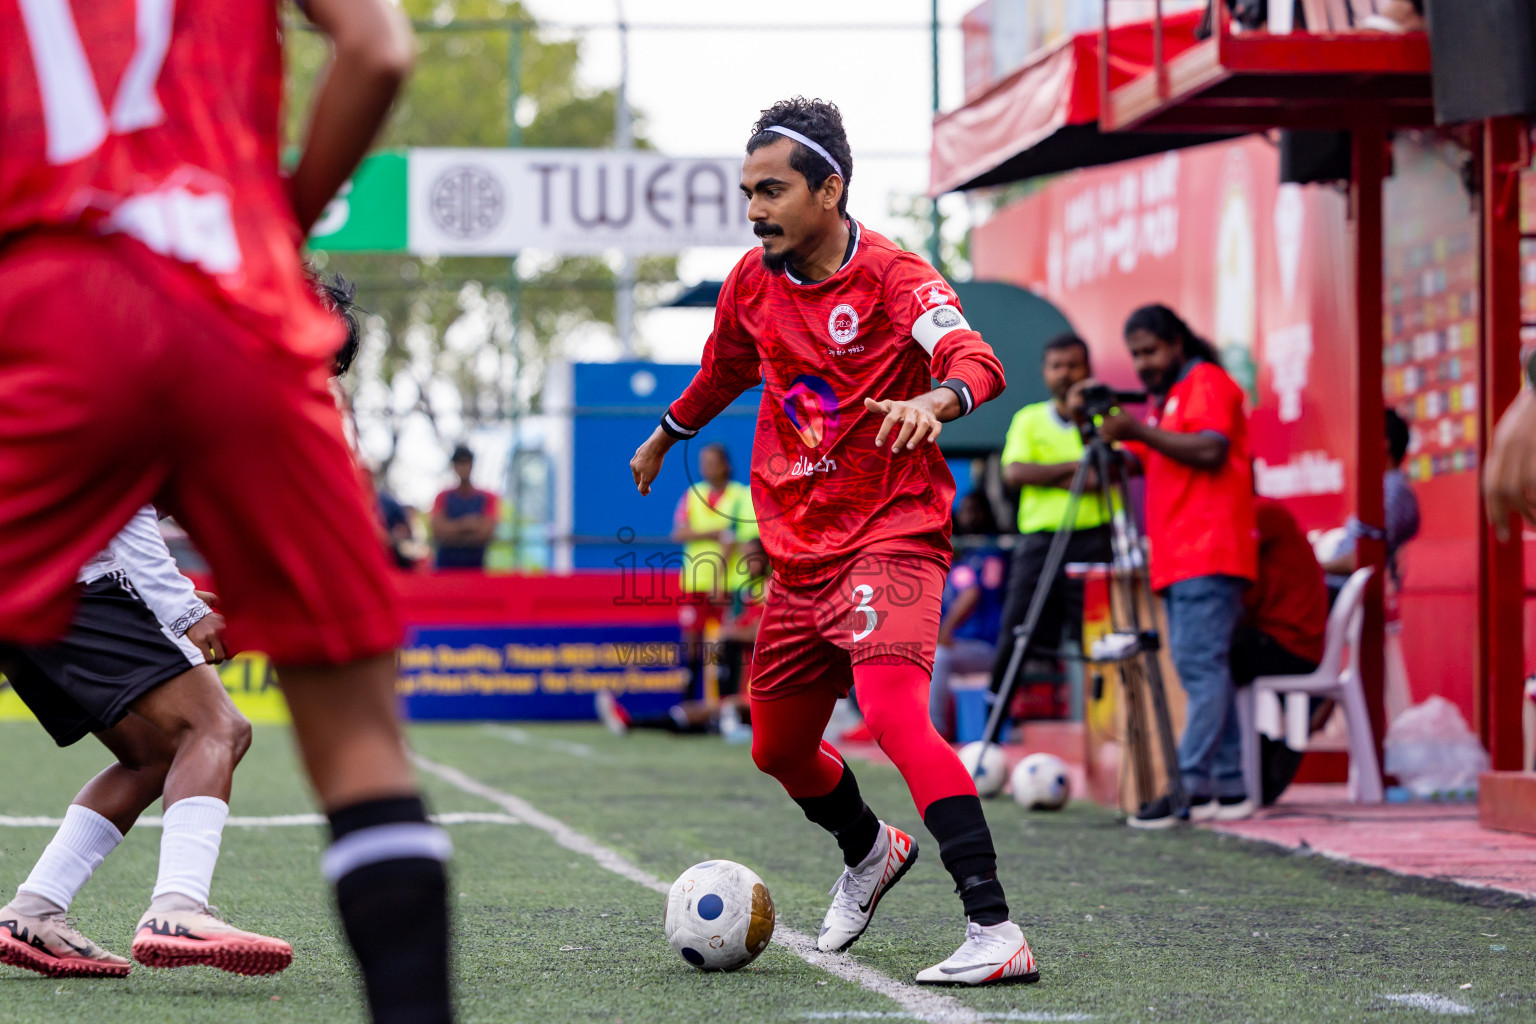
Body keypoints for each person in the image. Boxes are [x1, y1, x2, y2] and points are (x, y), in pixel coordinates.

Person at [0, 4, 454, 1023]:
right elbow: (378, 49)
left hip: (49, 303)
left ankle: (43, 906)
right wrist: (265, 232)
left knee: (181, 734)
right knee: (351, 737)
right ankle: (175, 906)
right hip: (227, 289)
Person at [630, 98, 1037, 986]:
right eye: (747, 192)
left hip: (893, 533)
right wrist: (668, 432)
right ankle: (869, 850)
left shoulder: (895, 276)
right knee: (776, 747)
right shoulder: (752, 280)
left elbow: (978, 361)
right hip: (801, 554)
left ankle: (994, 927)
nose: (755, 208)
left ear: (830, 188)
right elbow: (725, 368)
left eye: (771, 190)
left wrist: (933, 401)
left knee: (892, 714)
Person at [0, 508, 288, 977]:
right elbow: (124, 508)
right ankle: (179, 907)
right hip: (78, 583)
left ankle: (34, 909)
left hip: (21, 592)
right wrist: (183, 608)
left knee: (151, 757)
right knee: (218, 728)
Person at [1082, 304, 1258, 828]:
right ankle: (1229, 791)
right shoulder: (1174, 395)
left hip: (1211, 551)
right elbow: (1165, 458)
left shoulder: (1206, 381)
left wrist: (1136, 430)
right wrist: (1120, 438)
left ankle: (1182, 786)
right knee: (1204, 672)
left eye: (1150, 351)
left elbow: (1209, 450)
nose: (1143, 363)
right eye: (1135, 355)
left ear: (1177, 342)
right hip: (1184, 556)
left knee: (1202, 671)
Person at [990, 334, 1114, 698]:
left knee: (1100, 636)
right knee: (1016, 629)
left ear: (1088, 369)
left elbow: (1100, 478)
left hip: (1094, 540)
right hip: (1040, 544)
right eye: (1057, 366)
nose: (1065, 374)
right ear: (1045, 372)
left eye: (1073, 365)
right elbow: (1014, 473)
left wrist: (1048, 471)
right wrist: (1075, 466)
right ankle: (993, 728)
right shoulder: (1028, 419)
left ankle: (1107, 726)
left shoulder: (1105, 416)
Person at [596, 537, 768, 737]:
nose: (747, 562)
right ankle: (633, 723)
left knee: (716, 710)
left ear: (765, 558)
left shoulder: (769, 589)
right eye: (745, 557)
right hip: (747, 685)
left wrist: (730, 632)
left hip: (762, 689)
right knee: (707, 714)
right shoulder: (750, 592)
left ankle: (633, 723)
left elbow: (762, 633)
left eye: (752, 557)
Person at [1231, 495, 1330, 806]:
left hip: (1291, 643)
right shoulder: (1261, 513)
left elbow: (1234, 577)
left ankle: (1233, 769)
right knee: (1213, 656)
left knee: (1210, 659)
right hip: (1290, 638)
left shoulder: (1259, 513)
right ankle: (1249, 759)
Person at [671, 443, 758, 699]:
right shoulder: (693, 493)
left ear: (726, 465)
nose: (706, 467)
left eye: (712, 461)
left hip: (730, 583)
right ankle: (688, 698)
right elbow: (679, 531)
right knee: (692, 643)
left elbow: (738, 538)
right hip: (696, 581)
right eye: (703, 462)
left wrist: (719, 577)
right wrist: (715, 533)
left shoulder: (740, 495)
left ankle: (723, 702)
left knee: (726, 642)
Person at [930, 494, 1009, 739]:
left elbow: (972, 593)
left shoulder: (992, 554)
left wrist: (945, 630)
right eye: (964, 512)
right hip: (961, 648)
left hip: (986, 648)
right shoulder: (958, 563)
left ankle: (934, 733)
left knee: (938, 657)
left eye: (975, 511)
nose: (969, 518)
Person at [1321, 409, 1420, 598]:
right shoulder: (1385, 488)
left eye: (1365, 436)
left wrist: (1317, 567)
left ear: (1384, 446)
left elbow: (1366, 558)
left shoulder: (1393, 491)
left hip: (1349, 593)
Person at [431, 445, 499, 570]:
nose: (464, 467)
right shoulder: (442, 497)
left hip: (475, 570)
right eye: (460, 463)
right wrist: (468, 525)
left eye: (466, 462)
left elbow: (486, 533)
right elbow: (438, 532)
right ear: (454, 466)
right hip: (444, 571)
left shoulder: (488, 497)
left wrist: (452, 530)